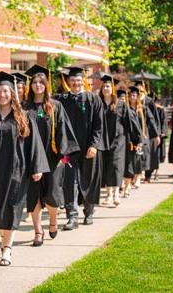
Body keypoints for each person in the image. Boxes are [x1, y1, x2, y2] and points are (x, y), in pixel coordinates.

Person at [0, 71, 49, 264]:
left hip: (16, 171)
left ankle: (7, 249)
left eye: (6, 91)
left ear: (12, 93)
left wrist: (37, 168)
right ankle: (4, 237)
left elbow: (34, 143)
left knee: (11, 208)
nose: (2, 95)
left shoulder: (23, 117)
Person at [24, 65, 79, 245]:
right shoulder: (25, 107)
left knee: (53, 196)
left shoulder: (56, 106)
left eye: (41, 82)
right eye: (35, 82)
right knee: (34, 196)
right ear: (30, 85)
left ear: (46, 85)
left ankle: (53, 222)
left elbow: (63, 128)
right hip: (32, 158)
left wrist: (63, 154)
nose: (38, 85)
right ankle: (38, 232)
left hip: (53, 157)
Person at [55, 66, 107, 228]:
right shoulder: (62, 100)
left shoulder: (93, 99)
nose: (76, 83)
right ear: (68, 81)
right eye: (72, 80)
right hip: (69, 148)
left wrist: (94, 145)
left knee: (89, 180)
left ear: (83, 80)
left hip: (89, 148)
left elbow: (99, 125)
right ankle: (72, 216)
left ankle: (89, 212)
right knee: (70, 182)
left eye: (78, 80)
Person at [100, 75, 142, 206]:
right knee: (106, 165)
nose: (106, 88)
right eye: (104, 86)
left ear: (112, 88)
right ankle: (108, 194)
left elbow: (131, 123)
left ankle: (117, 193)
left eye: (108, 86)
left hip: (119, 140)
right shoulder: (98, 104)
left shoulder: (121, 105)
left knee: (116, 166)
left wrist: (137, 140)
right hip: (103, 140)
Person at [148, 92, 168, 181]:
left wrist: (163, 132)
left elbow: (163, 121)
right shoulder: (147, 108)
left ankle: (157, 172)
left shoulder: (160, 110)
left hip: (159, 134)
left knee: (158, 154)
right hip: (151, 135)